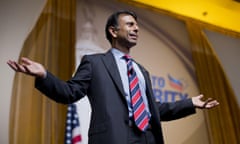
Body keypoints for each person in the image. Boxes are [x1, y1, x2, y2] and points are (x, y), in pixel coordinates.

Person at [7, 10, 219, 144]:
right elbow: (69, 93)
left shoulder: (141, 71)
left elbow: (152, 110)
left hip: (148, 138)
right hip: (113, 138)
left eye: (137, 25)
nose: (136, 28)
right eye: (130, 24)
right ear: (113, 31)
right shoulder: (94, 62)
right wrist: (44, 75)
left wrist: (190, 102)